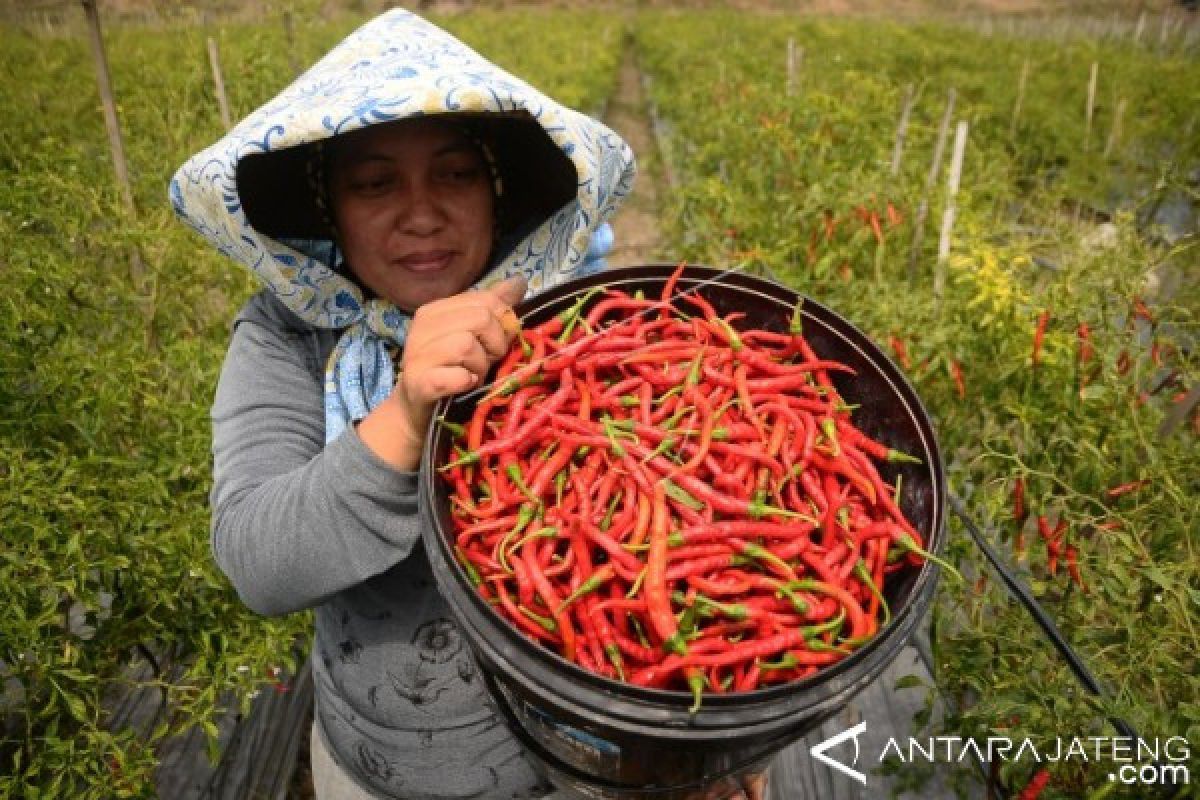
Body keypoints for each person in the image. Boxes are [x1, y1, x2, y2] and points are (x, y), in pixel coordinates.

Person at [171, 9, 764, 800]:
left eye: (454, 174)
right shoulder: (288, 336)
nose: (421, 214)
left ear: (495, 190)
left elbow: (693, 539)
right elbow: (258, 563)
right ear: (330, 213)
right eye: (374, 183)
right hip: (377, 767)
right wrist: (406, 414)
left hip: (575, 769)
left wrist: (711, 739)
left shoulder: (577, 321)